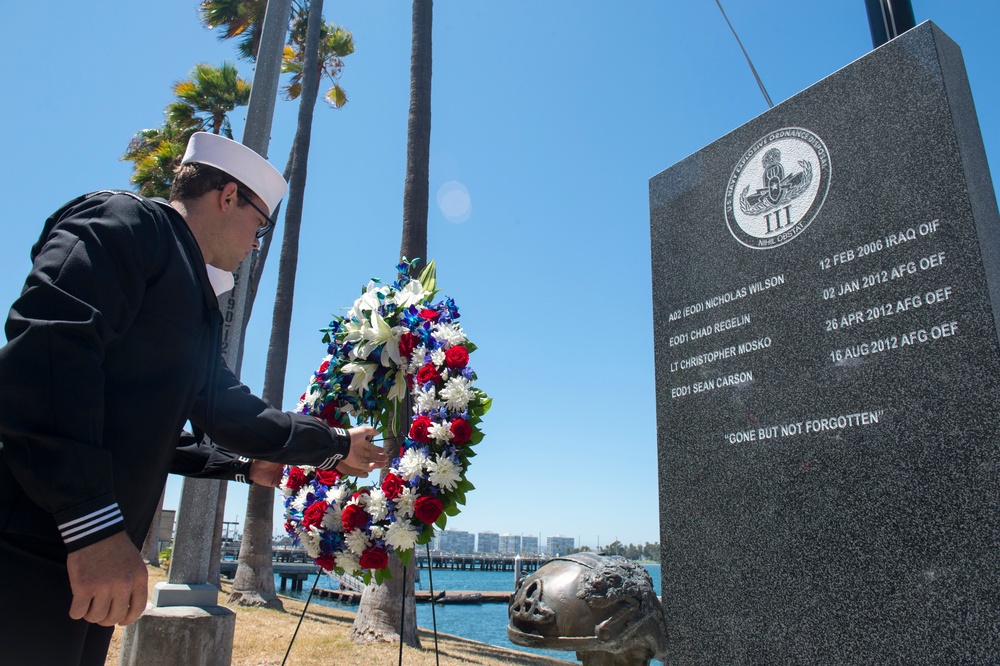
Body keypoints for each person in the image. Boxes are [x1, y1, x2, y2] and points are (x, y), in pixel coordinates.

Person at [0, 132, 387, 665]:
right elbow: (45, 351)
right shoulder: (124, 223)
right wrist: (90, 524)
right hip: (33, 541)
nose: (257, 242)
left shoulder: (188, 287)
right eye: (260, 222)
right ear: (228, 195)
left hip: (79, 554)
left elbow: (185, 416)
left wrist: (257, 462)